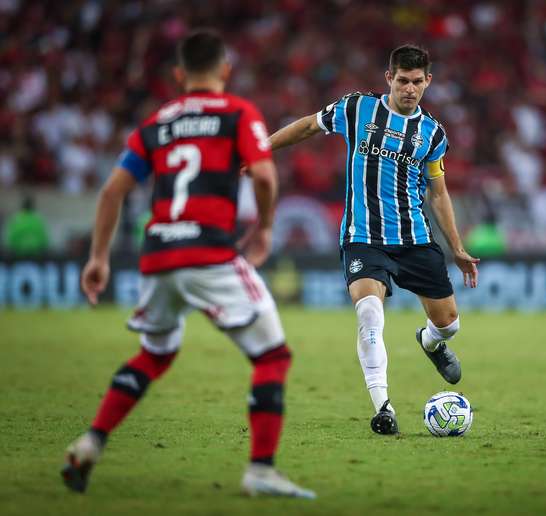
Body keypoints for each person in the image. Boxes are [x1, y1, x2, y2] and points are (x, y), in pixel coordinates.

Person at [61, 30, 315, 499]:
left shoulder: (156, 123)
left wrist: (98, 257)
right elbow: (263, 173)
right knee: (273, 356)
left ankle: (90, 443)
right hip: (210, 252)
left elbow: (112, 190)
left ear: (178, 75)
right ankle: (261, 469)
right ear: (224, 70)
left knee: (154, 354)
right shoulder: (239, 113)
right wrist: (262, 228)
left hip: (157, 255)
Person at [269, 44, 479, 435]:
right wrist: (262, 148)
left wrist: (458, 247)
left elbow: (438, 192)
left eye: (417, 82)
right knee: (368, 313)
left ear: (428, 81)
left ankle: (431, 342)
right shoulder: (356, 108)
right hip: (363, 237)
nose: (410, 89)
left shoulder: (431, 133)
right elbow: (308, 126)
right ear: (389, 78)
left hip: (415, 239)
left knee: (449, 325)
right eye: (402, 80)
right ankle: (383, 407)